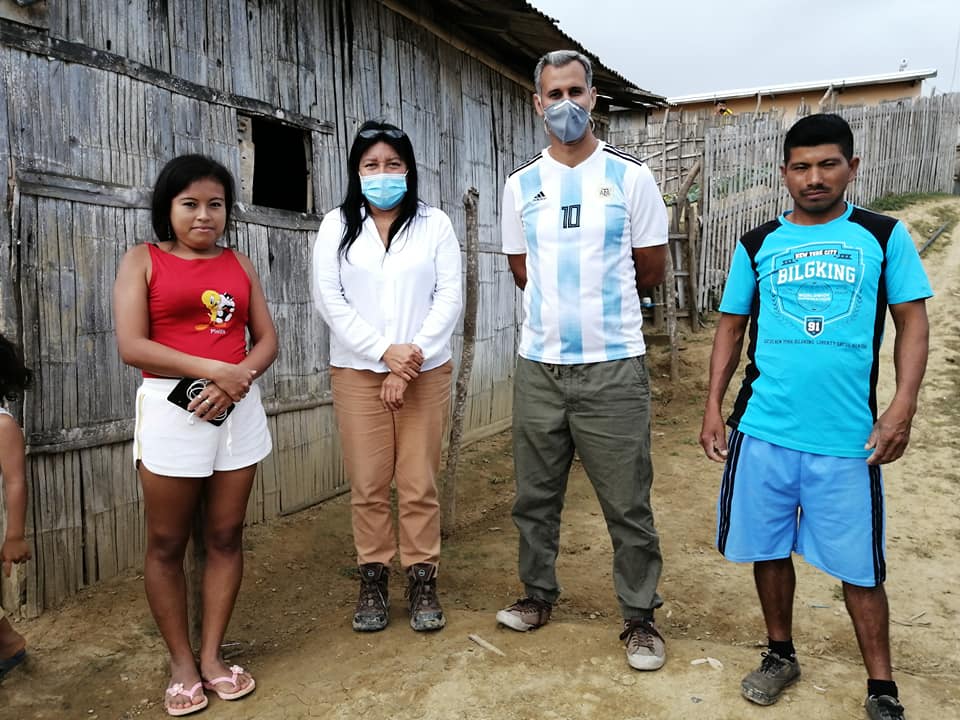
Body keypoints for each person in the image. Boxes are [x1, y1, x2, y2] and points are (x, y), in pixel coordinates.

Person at [699, 113, 930, 720]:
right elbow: (731, 328)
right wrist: (713, 407)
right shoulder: (757, 243)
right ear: (784, 173)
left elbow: (912, 321)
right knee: (768, 548)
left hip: (848, 439)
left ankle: (882, 687)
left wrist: (902, 405)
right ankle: (780, 654)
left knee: (861, 567)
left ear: (852, 167)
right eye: (801, 167)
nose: (815, 178)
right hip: (764, 431)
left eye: (828, 164)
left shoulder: (882, 236)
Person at [497, 50, 670, 671]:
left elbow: (649, 269)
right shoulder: (520, 185)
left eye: (575, 91)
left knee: (627, 502)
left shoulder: (631, 178)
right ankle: (536, 595)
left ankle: (640, 617)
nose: (565, 103)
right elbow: (523, 271)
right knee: (534, 496)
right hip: (539, 367)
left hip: (613, 366)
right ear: (536, 103)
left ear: (593, 98)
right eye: (554, 93)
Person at [114, 154, 278, 716]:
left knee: (226, 535)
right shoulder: (143, 260)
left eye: (215, 204)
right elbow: (132, 345)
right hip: (171, 409)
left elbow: (267, 340)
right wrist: (213, 371)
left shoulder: (240, 264)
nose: (204, 215)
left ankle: (212, 658)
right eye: (190, 204)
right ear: (168, 207)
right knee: (167, 542)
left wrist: (236, 381)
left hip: (238, 407)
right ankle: (181, 663)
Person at [312, 121, 462, 634]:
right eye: (371, 165)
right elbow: (330, 299)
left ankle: (422, 578)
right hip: (357, 370)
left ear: (409, 169)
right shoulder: (337, 225)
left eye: (393, 164)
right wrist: (383, 352)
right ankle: (373, 579)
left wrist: (409, 359)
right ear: (357, 171)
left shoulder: (435, 224)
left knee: (418, 482)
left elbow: (448, 297)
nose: (383, 174)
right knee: (369, 483)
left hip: (425, 370)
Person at [0, 333, 31, 683]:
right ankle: (9, 644)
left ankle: (10, 644)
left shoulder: (3, 425)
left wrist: (14, 536)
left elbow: (15, 482)